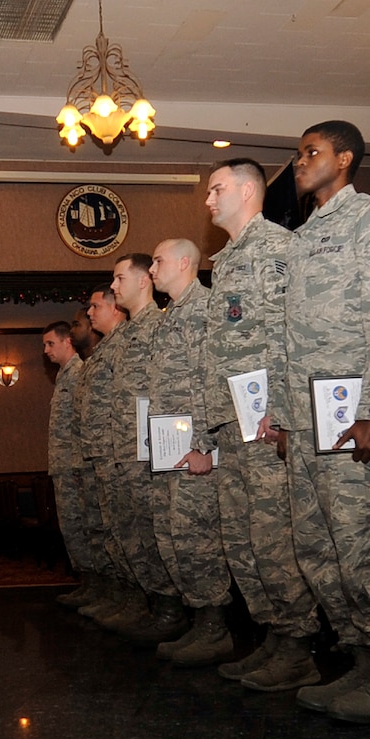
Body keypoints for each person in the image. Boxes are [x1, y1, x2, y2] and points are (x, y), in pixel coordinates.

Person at [260, 121, 370, 723]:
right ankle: (360, 662)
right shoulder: (301, 237)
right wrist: (282, 417)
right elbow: (284, 336)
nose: (299, 163)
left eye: (311, 152)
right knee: (317, 549)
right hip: (306, 424)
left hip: (352, 420)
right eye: (298, 153)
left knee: (359, 544)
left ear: (345, 159)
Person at [201, 159, 323, 692]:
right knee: (244, 538)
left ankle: (298, 646)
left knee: (273, 536)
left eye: (217, 189)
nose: (208, 200)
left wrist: (282, 408)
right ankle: (274, 635)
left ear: (249, 190)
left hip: (265, 419)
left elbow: (288, 331)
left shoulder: (274, 248)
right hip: (233, 420)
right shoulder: (228, 259)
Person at [143, 238, 239, 665]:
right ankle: (199, 622)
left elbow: (209, 381)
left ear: (184, 263)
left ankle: (216, 630)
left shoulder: (202, 308)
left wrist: (205, 446)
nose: (152, 270)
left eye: (158, 261)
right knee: (175, 539)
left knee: (198, 540)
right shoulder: (171, 316)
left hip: (193, 450)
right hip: (171, 450)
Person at [99, 252, 187, 643]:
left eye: (119, 278)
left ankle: (171, 612)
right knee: (134, 534)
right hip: (125, 452)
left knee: (158, 534)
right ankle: (154, 605)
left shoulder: (159, 326)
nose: (114, 286)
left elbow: (172, 391)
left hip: (153, 452)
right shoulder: (126, 335)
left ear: (142, 281)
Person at [73, 287, 135, 625]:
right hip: (99, 455)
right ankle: (120, 595)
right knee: (110, 531)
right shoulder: (101, 352)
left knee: (128, 531)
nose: (89, 312)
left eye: (95, 306)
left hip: (119, 453)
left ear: (115, 308)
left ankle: (141, 603)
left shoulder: (125, 344)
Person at [43, 320, 100, 608]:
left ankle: (97, 587)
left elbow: (84, 423)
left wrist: (80, 464)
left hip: (76, 466)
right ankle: (86, 582)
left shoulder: (79, 373)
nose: (46, 350)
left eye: (50, 343)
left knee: (84, 526)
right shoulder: (63, 375)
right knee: (72, 527)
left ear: (68, 342)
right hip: (63, 465)